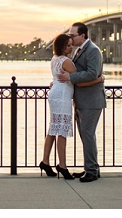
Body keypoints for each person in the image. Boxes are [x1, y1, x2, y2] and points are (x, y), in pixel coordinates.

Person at [40, 33, 104, 180]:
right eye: (68, 45)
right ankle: (62, 166)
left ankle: (45, 161)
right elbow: (80, 81)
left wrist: (56, 81)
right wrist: (99, 79)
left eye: (71, 44)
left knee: (53, 127)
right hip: (62, 97)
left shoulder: (54, 59)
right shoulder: (66, 61)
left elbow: (60, 77)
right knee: (61, 130)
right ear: (62, 46)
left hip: (55, 93)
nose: (71, 48)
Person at [57, 22, 106, 182]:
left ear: (82, 35)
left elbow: (92, 73)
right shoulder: (80, 50)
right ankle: (91, 168)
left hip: (91, 101)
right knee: (86, 136)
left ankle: (91, 171)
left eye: (73, 35)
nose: (70, 38)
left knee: (88, 135)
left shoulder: (93, 51)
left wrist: (70, 77)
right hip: (81, 101)